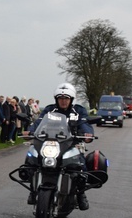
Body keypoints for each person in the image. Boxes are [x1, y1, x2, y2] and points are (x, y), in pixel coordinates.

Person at [27, 82, 94, 210]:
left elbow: (85, 123)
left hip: (72, 144)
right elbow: (39, 122)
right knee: (32, 159)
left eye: (66, 98)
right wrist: (30, 131)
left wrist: (88, 133)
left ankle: (81, 194)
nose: (63, 101)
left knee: (81, 166)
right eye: (60, 98)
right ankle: (32, 189)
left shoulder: (78, 110)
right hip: (50, 143)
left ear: (71, 99)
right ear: (56, 99)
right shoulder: (49, 109)